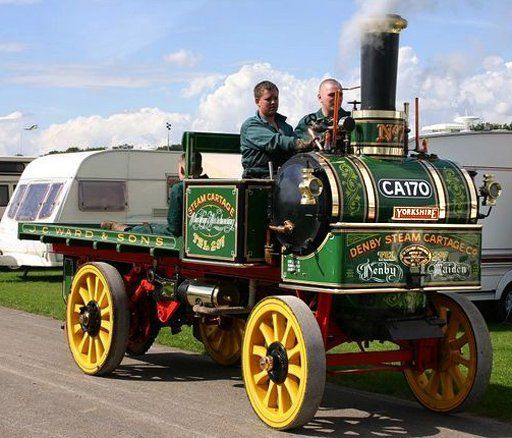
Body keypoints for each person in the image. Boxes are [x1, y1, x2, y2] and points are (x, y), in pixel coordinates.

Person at [100, 152, 205, 236]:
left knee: (146, 229)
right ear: (201, 170)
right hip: (200, 232)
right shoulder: (215, 186)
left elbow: (174, 228)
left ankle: (119, 227)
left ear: (181, 170)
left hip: (183, 236)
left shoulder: (179, 188)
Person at [240, 80, 313, 178]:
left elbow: (298, 150)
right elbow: (276, 142)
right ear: (257, 101)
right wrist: (300, 143)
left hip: (284, 175)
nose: (273, 102)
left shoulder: (286, 127)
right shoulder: (251, 126)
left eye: (276, 98)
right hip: (258, 177)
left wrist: (315, 142)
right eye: (268, 99)